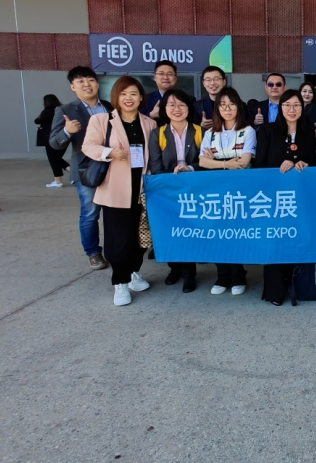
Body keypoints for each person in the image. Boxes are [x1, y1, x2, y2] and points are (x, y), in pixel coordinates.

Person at [81, 76, 157, 306]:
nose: (128, 98)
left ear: (141, 97)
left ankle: (133, 272)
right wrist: (109, 152)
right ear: (116, 97)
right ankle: (120, 282)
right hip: (115, 190)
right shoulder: (102, 120)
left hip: (141, 190)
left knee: (140, 237)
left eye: (133, 93)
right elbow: (88, 146)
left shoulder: (149, 123)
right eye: (123, 94)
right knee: (119, 239)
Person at [254, 90, 316, 305]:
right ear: (280, 107)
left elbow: (314, 162)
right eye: (287, 105)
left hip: (300, 198)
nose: (292, 109)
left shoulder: (308, 132)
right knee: (275, 241)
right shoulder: (268, 130)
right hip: (274, 198)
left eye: (296, 105)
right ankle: (275, 292)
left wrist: (304, 164)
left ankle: (297, 285)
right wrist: (284, 162)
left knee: (296, 239)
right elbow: (260, 164)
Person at [49, 66, 113, 270]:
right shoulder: (65, 110)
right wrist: (67, 132)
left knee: (113, 212)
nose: (87, 84)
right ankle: (93, 253)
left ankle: (114, 250)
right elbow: (54, 144)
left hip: (113, 167)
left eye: (91, 80)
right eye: (81, 81)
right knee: (90, 213)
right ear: (73, 87)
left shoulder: (109, 107)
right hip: (86, 170)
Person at [198, 87, 255, 296]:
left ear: (238, 107)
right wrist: (227, 163)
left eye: (231, 104)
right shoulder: (210, 133)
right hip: (215, 191)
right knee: (217, 233)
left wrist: (215, 161)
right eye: (223, 105)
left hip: (239, 191)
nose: (227, 109)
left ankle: (238, 275)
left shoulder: (248, 131)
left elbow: (244, 162)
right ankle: (222, 275)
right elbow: (201, 162)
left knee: (235, 233)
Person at [148, 89, 202, 293]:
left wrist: (190, 169)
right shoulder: (158, 134)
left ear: (189, 108)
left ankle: (189, 274)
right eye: (171, 105)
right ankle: (174, 268)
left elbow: (205, 162)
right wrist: (173, 179)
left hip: (193, 190)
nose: (176, 109)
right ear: (164, 109)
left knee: (188, 232)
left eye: (181, 104)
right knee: (170, 230)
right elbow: (155, 166)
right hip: (167, 191)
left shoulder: (200, 132)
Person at [35, 94, 69, 187]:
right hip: (62, 137)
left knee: (53, 159)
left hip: (49, 138)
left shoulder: (47, 112)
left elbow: (37, 121)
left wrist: (39, 116)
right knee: (56, 158)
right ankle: (74, 174)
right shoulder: (62, 110)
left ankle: (58, 181)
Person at [194, 66, 227, 131]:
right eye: (208, 80)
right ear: (203, 83)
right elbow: (191, 128)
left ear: (224, 82)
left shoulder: (238, 104)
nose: (212, 83)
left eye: (216, 79)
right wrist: (201, 126)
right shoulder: (197, 106)